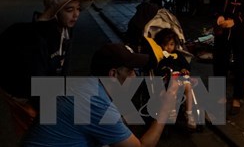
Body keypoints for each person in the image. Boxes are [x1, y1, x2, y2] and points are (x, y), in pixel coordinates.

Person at [20, 42, 182, 147]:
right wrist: (165, 108)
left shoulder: (88, 86)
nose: (135, 76)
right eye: (131, 71)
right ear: (113, 74)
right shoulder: (95, 102)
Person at [0, 0, 94, 134]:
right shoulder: (35, 39)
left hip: (47, 91)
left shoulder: (67, 29)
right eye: (69, 9)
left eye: (78, 9)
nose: (76, 14)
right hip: (25, 96)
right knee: (37, 135)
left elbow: (63, 66)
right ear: (54, 12)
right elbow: (37, 82)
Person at [153, 28, 196, 129]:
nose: (168, 47)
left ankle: (189, 113)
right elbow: (158, 69)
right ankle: (171, 110)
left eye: (171, 44)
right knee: (174, 85)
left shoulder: (178, 55)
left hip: (180, 77)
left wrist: (185, 69)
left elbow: (186, 65)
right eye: (165, 44)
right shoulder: (161, 56)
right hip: (167, 79)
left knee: (188, 86)